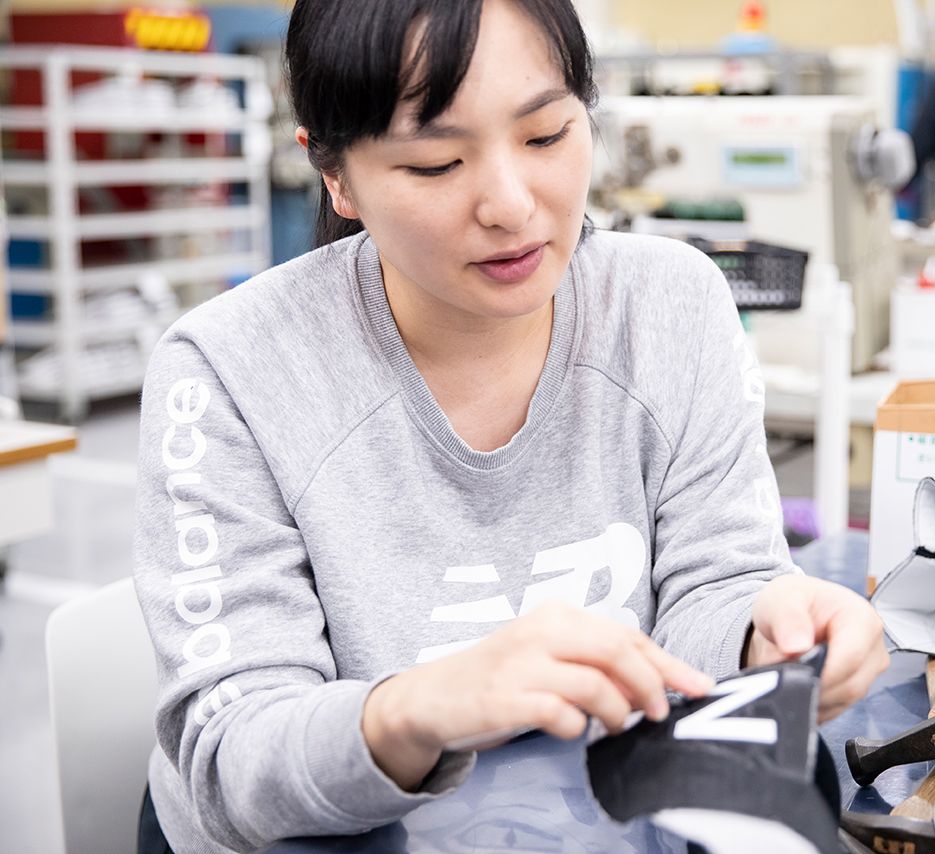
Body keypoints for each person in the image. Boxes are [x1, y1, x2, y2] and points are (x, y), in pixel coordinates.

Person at [133, 0, 889, 851]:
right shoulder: (232, 368)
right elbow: (237, 761)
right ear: (335, 175)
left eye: (545, 137)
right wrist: (423, 706)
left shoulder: (669, 302)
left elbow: (711, 586)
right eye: (435, 163)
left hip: (578, 809)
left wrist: (763, 629)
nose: (511, 204)